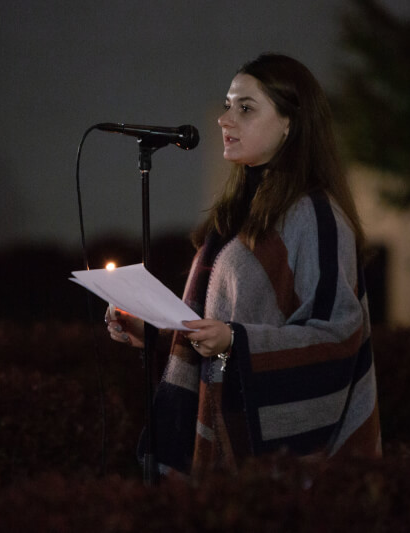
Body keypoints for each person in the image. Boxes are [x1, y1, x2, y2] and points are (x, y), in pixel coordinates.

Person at [106, 53, 381, 478]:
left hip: (279, 466)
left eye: (246, 108)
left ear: (290, 124)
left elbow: (337, 335)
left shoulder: (317, 217)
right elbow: (216, 325)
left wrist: (235, 341)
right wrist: (155, 333)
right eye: (227, 105)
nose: (224, 119)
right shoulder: (237, 214)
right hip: (222, 440)